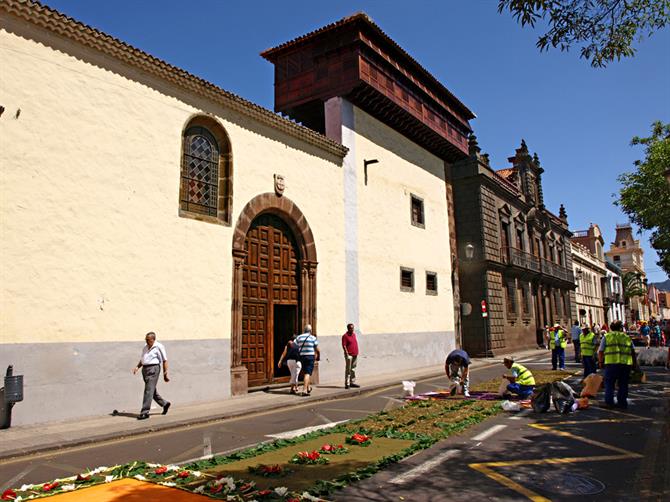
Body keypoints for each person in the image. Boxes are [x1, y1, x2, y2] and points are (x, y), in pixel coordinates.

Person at [132, 331, 170, 420]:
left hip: (154, 369)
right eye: (145, 339)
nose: (146, 341)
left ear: (153, 339)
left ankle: (145, 412)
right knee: (151, 391)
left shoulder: (159, 346)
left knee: (148, 390)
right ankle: (165, 404)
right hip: (145, 369)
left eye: (148, 339)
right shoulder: (145, 347)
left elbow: (165, 360)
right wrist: (137, 367)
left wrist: (165, 373)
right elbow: (143, 359)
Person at [598, 320, 634, 409]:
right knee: (623, 384)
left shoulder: (607, 337)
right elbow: (632, 352)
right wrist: (635, 364)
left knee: (609, 384)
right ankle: (622, 403)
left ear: (611, 327)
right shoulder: (627, 337)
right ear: (621, 328)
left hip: (611, 364)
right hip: (625, 364)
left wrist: (600, 362)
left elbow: (601, 351)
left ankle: (609, 403)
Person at [295, 324, 319, 396]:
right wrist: (318, 356)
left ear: (304, 330)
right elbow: (317, 348)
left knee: (305, 372)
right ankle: (304, 390)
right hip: (310, 356)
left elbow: (294, 345)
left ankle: (308, 388)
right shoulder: (313, 338)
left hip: (302, 356)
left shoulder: (299, 337)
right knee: (307, 373)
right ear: (310, 330)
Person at [342, 323, 360, 389]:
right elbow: (344, 345)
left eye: (353, 328)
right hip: (349, 355)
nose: (352, 329)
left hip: (355, 354)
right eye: (351, 328)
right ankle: (347, 384)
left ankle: (352, 382)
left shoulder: (354, 335)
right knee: (348, 370)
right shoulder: (345, 336)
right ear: (348, 329)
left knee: (353, 369)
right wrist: (347, 354)